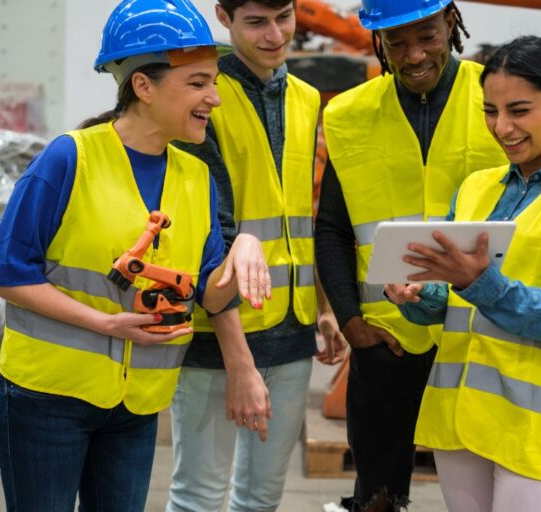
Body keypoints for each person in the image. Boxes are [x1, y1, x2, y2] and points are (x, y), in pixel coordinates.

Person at [0, 0, 272, 510]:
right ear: (144, 86)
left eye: (214, 82)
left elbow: (208, 290)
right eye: (199, 83)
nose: (215, 98)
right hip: (48, 398)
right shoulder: (70, 158)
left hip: (136, 404)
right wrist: (106, 324)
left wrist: (245, 245)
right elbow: (8, 273)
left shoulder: (196, 175)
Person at [385, 35, 541, 512]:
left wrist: (476, 282)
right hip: (464, 418)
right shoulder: (478, 187)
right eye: (490, 111)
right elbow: (457, 302)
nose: (502, 128)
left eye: (519, 111)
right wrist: (419, 295)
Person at [315, 0, 506, 510]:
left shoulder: (498, 99)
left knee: (482, 491)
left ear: (450, 22)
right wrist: (351, 320)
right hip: (387, 339)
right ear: (377, 40)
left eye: (425, 35)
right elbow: (332, 227)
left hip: (484, 334)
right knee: (377, 495)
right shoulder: (350, 115)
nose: (412, 54)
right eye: (395, 42)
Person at [166, 1, 347, 511]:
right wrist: (239, 361)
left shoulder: (306, 97)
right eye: (256, 22)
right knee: (198, 496)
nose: (274, 34)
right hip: (217, 335)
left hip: (291, 330)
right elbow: (205, 229)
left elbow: (302, 214)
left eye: (284, 17)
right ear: (224, 16)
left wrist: (326, 307)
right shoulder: (204, 97)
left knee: (262, 497)